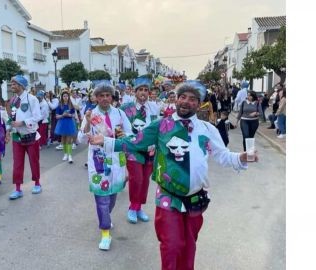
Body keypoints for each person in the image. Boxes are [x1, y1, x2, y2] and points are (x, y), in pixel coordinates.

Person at [89, 80, 258, 269]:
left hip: (196, 199)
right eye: (183, 97)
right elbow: (135, 141)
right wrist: (106, 141)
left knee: (189, 246)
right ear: (176, 99)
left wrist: (242, 158)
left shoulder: (207, 129)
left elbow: (223, 155)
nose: (186, 101)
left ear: (199, 103)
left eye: (192, 99)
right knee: (171, 246)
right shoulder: (161, 125)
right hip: (168, 198)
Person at [77, 81, 132, 250]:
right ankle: (105, 232)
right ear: (96, 97)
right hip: (98, 160)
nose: (105, 98)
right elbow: (80, 139)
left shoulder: (120, 114)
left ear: (112, 97)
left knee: (113, 194)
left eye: (108, 95)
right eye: (101, 95)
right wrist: (86, 123)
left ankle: (106, 215)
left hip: (117, 159)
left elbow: (130, 136)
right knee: (101, 196)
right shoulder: (90, 114)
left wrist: (124, 135)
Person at [119, 76, 154, 224]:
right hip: (133, 149)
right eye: (141, 90)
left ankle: (139, 207)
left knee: (145, 180)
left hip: (150, 150)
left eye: (146, 90)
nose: (144, 93)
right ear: (135, 91)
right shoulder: (126, 108)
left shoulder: (155, 107)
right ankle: (132, 208)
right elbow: (119, 126)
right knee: (136, 179)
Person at [6, 75, 43, 199]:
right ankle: (18, 189)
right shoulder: (12, 101)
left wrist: (23, 122)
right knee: (17, 163)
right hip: (17, 137)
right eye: (11, 84)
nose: (12, 86)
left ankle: (37, 183)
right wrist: (8, 130)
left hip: (31, 135)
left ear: (21, 85)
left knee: (34, 161)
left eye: (14, 84)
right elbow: (11, 118)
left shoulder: (32, 99)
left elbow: (38, 116)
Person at [54, 90, 78, 163]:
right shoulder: (59, 106)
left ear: (68, 97)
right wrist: (63, 115)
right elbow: (57, 116)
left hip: (70, 123)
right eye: (64, 96)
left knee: (69, 139)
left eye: (67, 96)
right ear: (62, 97)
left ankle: (70, 155)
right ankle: (65, 154)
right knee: (63, 139)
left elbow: (74, 115)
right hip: (62, 123)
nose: (65, 97)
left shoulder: (71, 105)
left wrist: (69, 115)